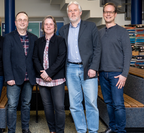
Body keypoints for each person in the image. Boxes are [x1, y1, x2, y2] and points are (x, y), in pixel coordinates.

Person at [59, 1, 101, 133]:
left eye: (74, 10)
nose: (72, 12)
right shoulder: (63, 30)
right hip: (70, 69)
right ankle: (81, 130)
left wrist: (94, 67)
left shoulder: (91, 26)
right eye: (70, 10)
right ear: (67, 13)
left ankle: (93, 130)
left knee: (91, 102)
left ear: (80, 12)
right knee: (74, 104)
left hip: (88, 69)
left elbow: (97, 48)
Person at [99, 3, 132, 133]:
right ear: (103, 14)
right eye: (106, 12)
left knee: (118, 104)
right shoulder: (100, 32)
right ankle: (112, 127)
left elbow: (128, 54)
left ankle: (121, 131)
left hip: (117, 75)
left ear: (115, 14)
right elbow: (98, 53)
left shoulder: (122, 31)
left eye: (111, 12)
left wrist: (124, 74)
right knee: (109, 103)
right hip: (103, 74)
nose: (108, 14)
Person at [3, 11, 38, 133]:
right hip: (14, 78)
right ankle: (11, 130)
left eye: (25, 20)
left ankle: (25, 128)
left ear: (27, 23)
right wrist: (9, 77)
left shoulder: (34, 38)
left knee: (26, 104)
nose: (22, 22)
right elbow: (6, 59)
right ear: (15, 22)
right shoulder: (8, 38)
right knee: (12, 106)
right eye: (20, 20)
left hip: (29, 78)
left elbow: (35, 59)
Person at [33, 15, 66, 133]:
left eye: (51, 24)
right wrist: (42, 73)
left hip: (56, 78)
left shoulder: (60, 40)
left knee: (59, 107)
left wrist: (48, 73)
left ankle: (60, 130)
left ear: (55, 26)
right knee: (47, 106)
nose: (48, 26)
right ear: (42, 27)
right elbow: (35, 58)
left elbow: (61, 58)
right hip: (42, 79)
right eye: (46, 24)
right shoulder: (38, 41)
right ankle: (52, 130)